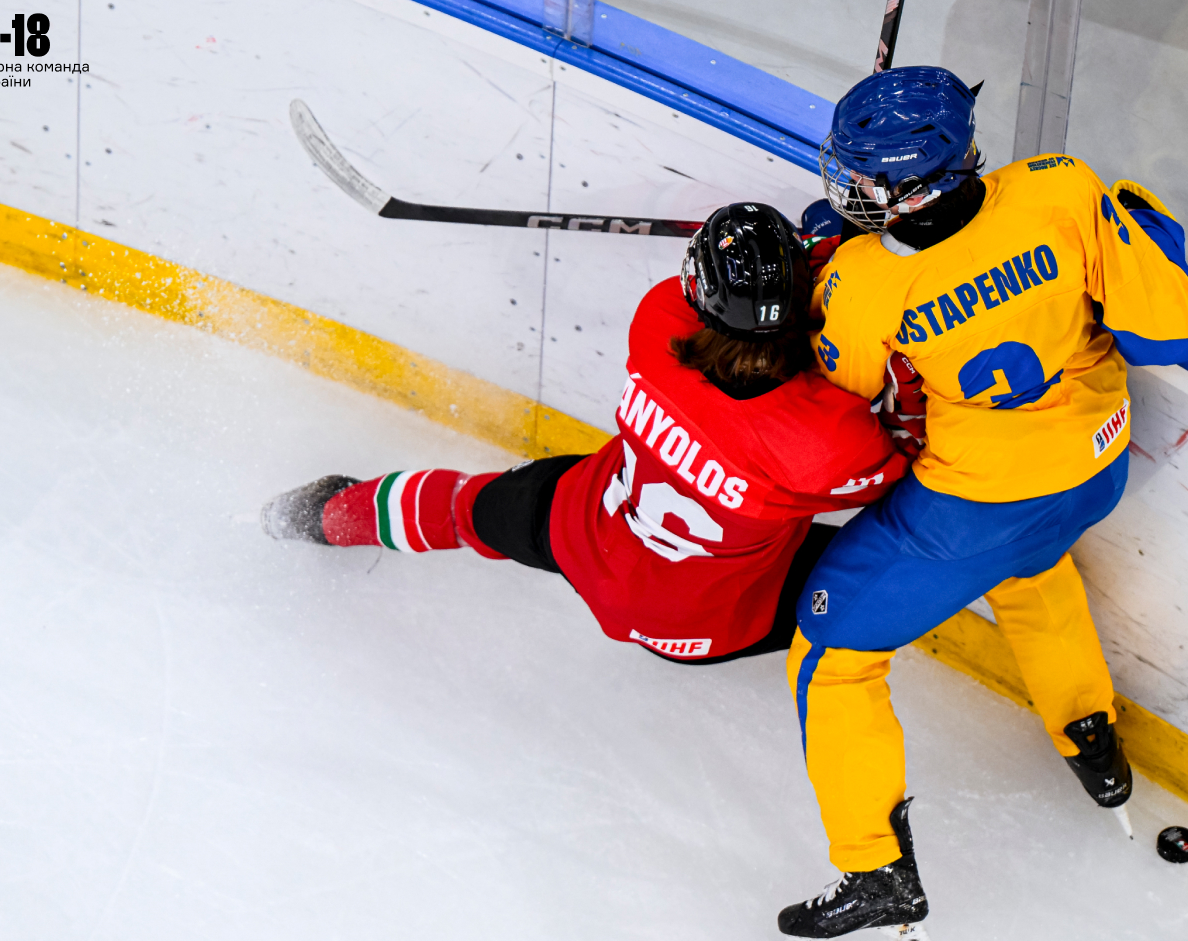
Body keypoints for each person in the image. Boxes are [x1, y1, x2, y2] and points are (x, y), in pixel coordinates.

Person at [773, 67, 1188, 941]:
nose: (848, 188)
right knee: (1034, 567)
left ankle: (877, 880)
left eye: (862, 178)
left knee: (829, 658)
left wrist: (829, 262)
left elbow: (845, 383)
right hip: (1095, 471)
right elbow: (1174, 328)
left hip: (972, 507)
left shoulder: (864, 281)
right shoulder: (1062, 186)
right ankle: (1090, 736)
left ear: (909, 185)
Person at [261, 203, 907, 664]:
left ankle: (324, 515)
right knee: (897, 566)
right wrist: (837, 251)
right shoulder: (825, 439)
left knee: (464, 511)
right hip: (709, 626)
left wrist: (807, 249)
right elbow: (904, 460)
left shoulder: (658, 325)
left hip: (588, 533)